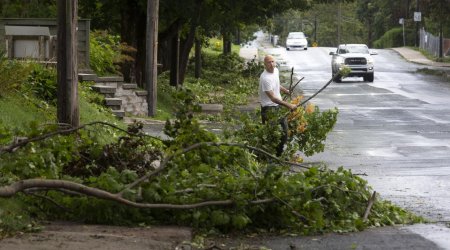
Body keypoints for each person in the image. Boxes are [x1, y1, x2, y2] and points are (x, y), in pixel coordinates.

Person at [259, 55, 296, 156]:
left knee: (282, 133)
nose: (271, 64)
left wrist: (286, 91)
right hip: (268, 109)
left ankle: (276, 154)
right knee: (273, 134)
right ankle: (273, 156)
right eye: (268, 63)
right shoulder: (265, 78)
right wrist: (289, 105)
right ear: (265, 65)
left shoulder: (276, 71)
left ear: (275, 62)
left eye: (272, 62)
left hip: (276, 107)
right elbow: (273, 98)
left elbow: (276, 84)